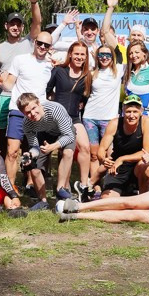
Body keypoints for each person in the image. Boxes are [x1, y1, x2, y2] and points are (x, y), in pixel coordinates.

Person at [4, 29, 59, 192]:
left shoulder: (51, 64)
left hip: (37, 114)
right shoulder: (20, 59)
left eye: (46, 45)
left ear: (50, 47)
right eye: (39, 43)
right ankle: (10, 186)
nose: (42, 47)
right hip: (17, 110)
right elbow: (9, 83)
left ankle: (29, 184)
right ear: (34, 42)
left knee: (33, 151)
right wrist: (1, 81)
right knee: (12, 151)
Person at [47, 41, 92, 198]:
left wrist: (81, 103)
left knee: (85, 147)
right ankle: (63, 187)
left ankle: (84, 186)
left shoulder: (87, 76)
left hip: (74, 117)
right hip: (58, 118)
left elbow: (86, 96)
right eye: (77, 54)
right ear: (70, 54)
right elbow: (46, 90)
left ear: (86, 57)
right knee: (67, 152)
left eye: (82, 54)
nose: (79, 57)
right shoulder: (59, 70)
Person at [17, 92, 77, 205]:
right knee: (34, 167)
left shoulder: (55, 109)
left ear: (39, 103)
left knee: (68, 152)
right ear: (23, 114)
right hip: (44, 134)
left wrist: (54, 146)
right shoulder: (27, 124)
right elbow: (34, 147)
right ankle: (43, 201)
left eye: (34, 108)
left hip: (64, 132)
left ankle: (60, 189)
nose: (33, 114)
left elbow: (69, 136)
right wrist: (29, 155)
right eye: (28, 113)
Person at [95, 94, 149, 197]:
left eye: (135, 112)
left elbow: (148, 151)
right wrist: (103, 159)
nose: (132, 115)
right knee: (107, 201)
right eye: (128, 111)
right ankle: (123, 190)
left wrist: (122, 158)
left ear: (141, 112)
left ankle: (143, 200)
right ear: (123, 111)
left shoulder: (147, 122)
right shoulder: (114, 123)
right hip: (118, 168)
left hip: (137, 166)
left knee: (146, 164)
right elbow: (101, 149)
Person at [82, 44, 124, 190]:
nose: (104, 58)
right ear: (97, 57)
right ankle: (95, 187)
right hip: (90, 117)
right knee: (94, 155)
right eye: (101, 55)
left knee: (109, 154)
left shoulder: (119, 70)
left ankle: (111, 184)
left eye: (108, 55)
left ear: (112, 57)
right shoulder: (92, 73)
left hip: (110, 119)